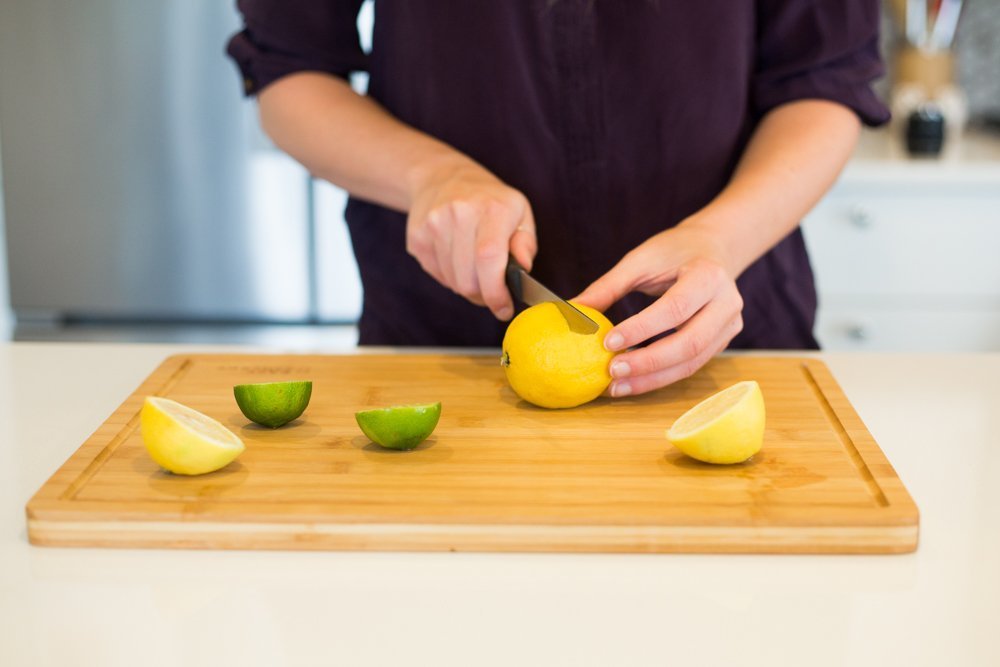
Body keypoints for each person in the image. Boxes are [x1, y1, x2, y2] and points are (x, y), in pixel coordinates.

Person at [227, 1, 889, 397]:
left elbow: (823, 82)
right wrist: (430, 174)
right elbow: (293, 73)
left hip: (728, 349)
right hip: (444, 355)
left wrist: (722, 238)